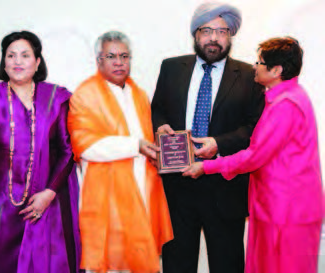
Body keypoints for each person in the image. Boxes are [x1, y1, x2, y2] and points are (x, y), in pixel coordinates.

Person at [183, 37, 323, 273]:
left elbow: (255, 156)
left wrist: (207, 166)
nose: (254, 67)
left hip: (287, 211)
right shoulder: (285, 97)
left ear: (276, 70)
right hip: (277, 206)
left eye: (259, 62)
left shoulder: (286, 105)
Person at [151, 2, 265, 273]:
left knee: (227, 264)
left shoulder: (250, 75)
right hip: (177, 186)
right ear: (195, 34)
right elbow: (158, 109)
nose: (214, 38)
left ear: (231, 35)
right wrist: (161, 126)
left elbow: (254, 127)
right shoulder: (171, 67)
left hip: (225, 188)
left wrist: (219, 144)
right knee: (178, 264)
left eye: (222, 31)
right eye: (206, 30)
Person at [0, 31, 81, 273]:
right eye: (11, 55)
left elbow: (68, 150)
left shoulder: (57, 98)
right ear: (4, 62)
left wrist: (50, 192)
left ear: (37, 62)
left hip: (45, 207)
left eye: (25, 55)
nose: (17, 61)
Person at [67, 31, 173, 273]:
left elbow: (146, 137)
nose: (118, 62)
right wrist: (135, 146)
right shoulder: (85, 95)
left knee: (142, 260)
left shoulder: (138, 93)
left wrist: (161, 143)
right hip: (107, 201)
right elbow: (86, 146)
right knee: (110, 265)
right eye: (111, 56)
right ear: (99, 61)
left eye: (124, 56)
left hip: (143, 193)